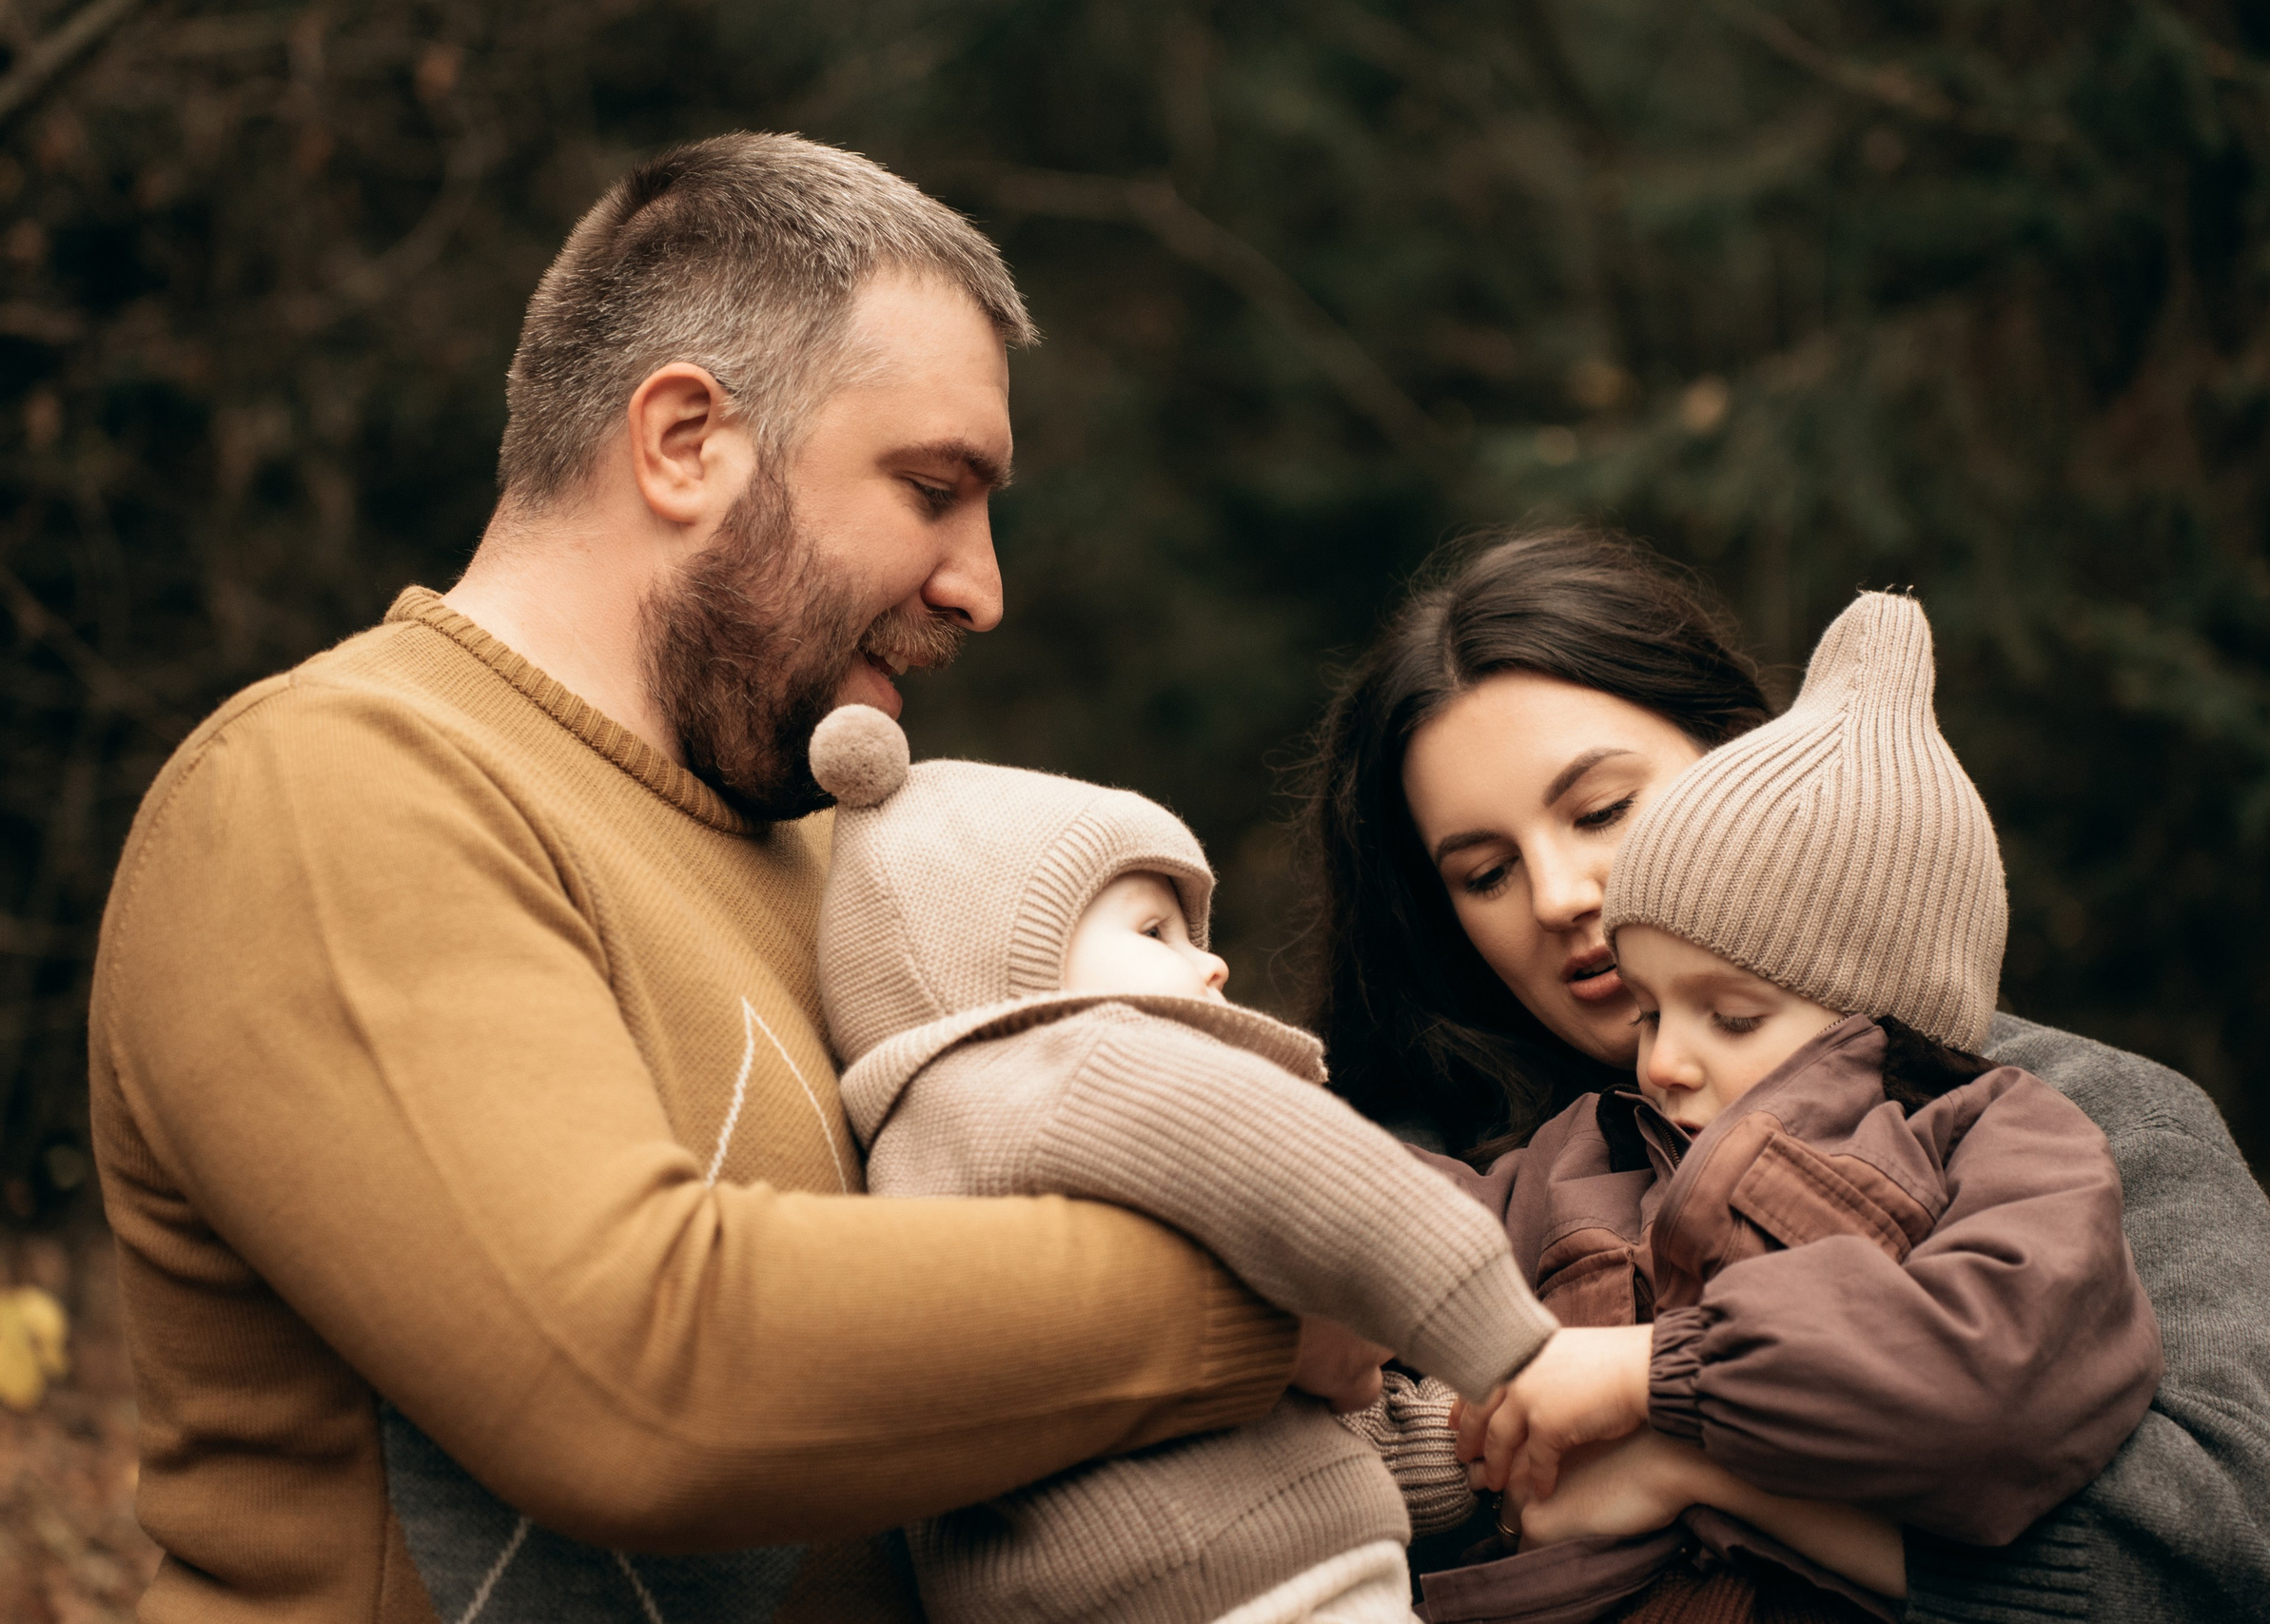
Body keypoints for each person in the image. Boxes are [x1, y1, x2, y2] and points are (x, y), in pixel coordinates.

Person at [86, 133, 1382, 1624]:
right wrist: (1271, 1298)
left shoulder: (843, 862)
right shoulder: (335, 787)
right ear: (686, 439)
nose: (980, 583)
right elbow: (632, 1379)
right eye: (932, 488)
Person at [1295, 530, 2270, 1623]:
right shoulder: (1435, 1161)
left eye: (1601, 811)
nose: (1555, 894)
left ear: (1744, 766)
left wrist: (1706, 1468)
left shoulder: (2073, 1119)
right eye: (1484, 872)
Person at [1399, 591, 2164, 1621]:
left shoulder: (2006, 1136)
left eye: (1731, 1015)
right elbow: (1410, 1219)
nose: (1664, 1061)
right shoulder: (1591, 1147)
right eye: (1650, 1006)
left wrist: (1655, 1379)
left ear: (1882, 1009)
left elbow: (1992, 1371)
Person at [804, 703, 1555, 1624]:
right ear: (1009, 964)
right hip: (1244, 1585)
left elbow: (1247, 1425)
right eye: (1154, 932)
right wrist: (1518, 1356)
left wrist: (1457, 1446)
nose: (1212, 968)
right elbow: (1317, 1176)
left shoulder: (930, 1162)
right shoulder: (1074, 1061)